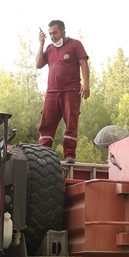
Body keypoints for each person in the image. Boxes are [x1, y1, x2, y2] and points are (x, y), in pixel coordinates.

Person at [35, 19, 90, 163]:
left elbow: (84, 64)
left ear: (63, 32)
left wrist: (86, 84)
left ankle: (69, 154)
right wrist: (41, 44)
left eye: (55, 33)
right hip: (52, 92)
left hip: (71, 91)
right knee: (46, 122)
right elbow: (39, 64)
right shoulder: (50, 48)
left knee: (71, 121)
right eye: (50, 33)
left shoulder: (75, 45)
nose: (52, 36)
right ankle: (43, 153)